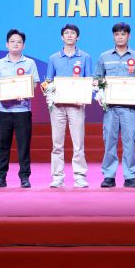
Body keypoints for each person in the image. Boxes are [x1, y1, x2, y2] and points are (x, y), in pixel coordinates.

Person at [95, 22, 135, 189]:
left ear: (128, 36)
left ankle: (130, 176)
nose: (120, 37)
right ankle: (108, 175)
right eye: (117, 34)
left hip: (129, 109)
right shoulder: (104, 57)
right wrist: (100, 93)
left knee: (130, 142)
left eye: (123, 34)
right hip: (110, 108)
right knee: (109, 141)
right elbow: (97, 79)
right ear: (113, 36)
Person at [0, 29, 40, 189]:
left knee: (23, 147)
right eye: (12, 41)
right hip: (4, 112)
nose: (15, 44)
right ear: (7, 44)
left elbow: (35, 84)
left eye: (19, 42)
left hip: (23, 111)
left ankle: (24, 177)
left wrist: (25, 92)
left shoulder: (30, 63)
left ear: (23, 45)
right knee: (3, 147)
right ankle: (0, 178)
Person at [44, 24, 92, 189]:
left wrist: (84, 97)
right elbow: (48, 81)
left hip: (77, 106)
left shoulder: (85, 57)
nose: (69, 35)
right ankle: (57, 177)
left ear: (77, 37)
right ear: (62, 37)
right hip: (57, 107)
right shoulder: (53, 58)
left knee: (78, 144)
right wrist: (50, 92)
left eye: (73, 33)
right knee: (57, 144)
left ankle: (80, 177)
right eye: (66, 33)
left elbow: (89, 81)